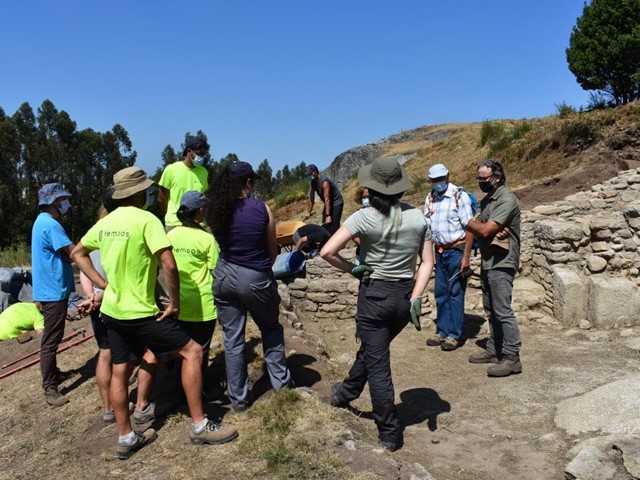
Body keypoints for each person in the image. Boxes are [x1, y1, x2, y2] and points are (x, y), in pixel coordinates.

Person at [72, 166, 237, 460]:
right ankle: (200, 426)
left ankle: (126, 437)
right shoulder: (147, 220)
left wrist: (103, 286)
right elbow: (169, 265)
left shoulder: (106, 223)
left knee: (121, 371)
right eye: (147, 191)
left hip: (113, 311)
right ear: (138, 193)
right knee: (193, 351)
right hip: (141, 311)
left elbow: (77, 253)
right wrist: (173, 303)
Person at [320, 157, 434, 452]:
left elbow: (327, 252)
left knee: (379, 364)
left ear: (371, 188)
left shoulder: (364, 217)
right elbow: (427, 263)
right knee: (374, 350)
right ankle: (345, 393)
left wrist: (352, 269)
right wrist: (417, 296)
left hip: (374, 296)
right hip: (403, 299)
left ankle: (389, 431)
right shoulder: (419, 218)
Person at [206, 161, 292, 412]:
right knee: (271, 328)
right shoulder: (261, 209)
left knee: (232, 339)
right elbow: (272, 250)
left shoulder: (216, 210)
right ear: (247, 183)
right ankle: (281, 384)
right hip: (254, 275)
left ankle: (239, 400)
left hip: (223, 275)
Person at [465, 159, 522, 377]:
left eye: (484, 178)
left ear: (497, 178)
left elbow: (485, 230)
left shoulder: (506, 199)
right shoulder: (489, 200)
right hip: (489, 261)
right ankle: (494, 349)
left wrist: (471, 224)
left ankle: (512, 357)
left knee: (503, 311)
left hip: (503, 261)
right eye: (478, 178)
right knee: (490, 309)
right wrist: (480, 228)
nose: (480, 182)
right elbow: (483, 229)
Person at [167, 191, 219, 387]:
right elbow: (216, 271)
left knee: (182, 348)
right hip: (202, 305)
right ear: (200, 211)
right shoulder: (206, 239)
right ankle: (198, 390)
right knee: (200, 351)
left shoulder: (170, 235)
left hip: (178, 303)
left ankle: (177, 387)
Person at [31, 183, 75, 407]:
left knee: (53, 335)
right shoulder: (51, 224)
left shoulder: (40, 222)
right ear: (54, 202)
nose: (66, 203)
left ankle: (54, 373)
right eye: (63, 199)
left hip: (47, 288)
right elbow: (71, 253)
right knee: (51, 339)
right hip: (53, 289)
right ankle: (50, 387)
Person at [422, 163, 474, 351]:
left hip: (456, 250)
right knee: (441, 292)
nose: (438, 183)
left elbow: (470, 228)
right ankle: (442, 330)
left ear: (448, 176)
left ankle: (454, 334)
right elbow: (426, 228)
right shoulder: (430, 198)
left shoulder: (460, 197)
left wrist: (466, 256)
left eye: (441, 179)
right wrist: (429, 255)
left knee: (455, 292)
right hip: (439, 251)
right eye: (434, 180)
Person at [158, 135, 210, 231]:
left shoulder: (203, 172)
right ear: (189, 151)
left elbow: (204, 196)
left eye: (204, 154)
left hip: (197, 223)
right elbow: (161, 198)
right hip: (175, 223)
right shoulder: (171, 169)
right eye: (199, 153)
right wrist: (170, 214)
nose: (202, 157)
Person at [304, 164, 344, 234]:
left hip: (336, 203)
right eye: (308, 175)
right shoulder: (313, 183)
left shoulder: (325, 182)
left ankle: (341, 240)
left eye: (310, 174)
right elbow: (311, 198)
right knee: (325, 225)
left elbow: (327, 199)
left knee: (335, 226)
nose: (309, 176)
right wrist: (309, 212)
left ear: (315, 172)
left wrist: (328, 215)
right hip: (328, 203)